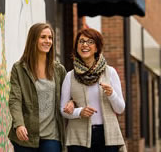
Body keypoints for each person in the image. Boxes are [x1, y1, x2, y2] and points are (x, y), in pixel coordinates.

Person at [60, 28, 126, 152]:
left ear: (96, 48)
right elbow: (63, 110)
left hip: (107, 136)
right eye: (81, 41)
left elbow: (120, 108)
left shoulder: (110, 72)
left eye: (90, 42)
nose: (85, 45)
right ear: (76, 47)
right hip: (78, 137)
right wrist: (79, 112)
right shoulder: (70, 76)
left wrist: (112, 94)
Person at [8, 23, 71, 151]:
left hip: (52, 136)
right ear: (33, 39)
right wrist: (19, 124)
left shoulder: (59, 70)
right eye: (43, 37)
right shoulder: (19, 68)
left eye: (50, 37)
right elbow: (15, 99)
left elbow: (69, 95)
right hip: (26, 137)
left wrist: (72, 102)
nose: (47, 41)